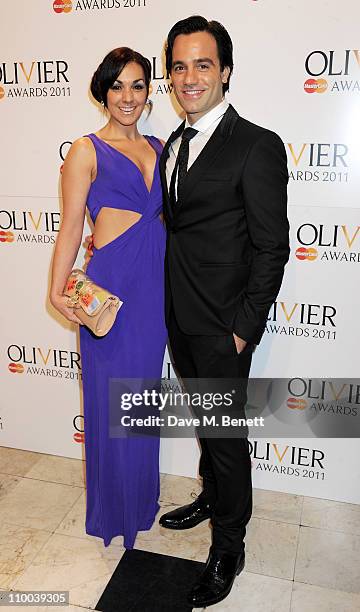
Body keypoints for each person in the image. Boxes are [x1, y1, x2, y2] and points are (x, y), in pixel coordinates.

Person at [158, 16, 290, 607]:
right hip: (179, 315)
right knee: (209, 428)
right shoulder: (173, 144)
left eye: (202, 64)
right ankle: (212, 495)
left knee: (227, 437)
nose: (190, 77)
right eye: (179, 66)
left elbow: (271, 245)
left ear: (225, 72)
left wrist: (244, 327)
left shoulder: (256, 144)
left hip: (224, 326)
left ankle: (229, 547)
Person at [50, 47, 167, 549]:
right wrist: (57, 290)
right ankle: (111, 512)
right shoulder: (86, 150)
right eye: (117, 85)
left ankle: (140, 504)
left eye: (138, 85)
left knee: (141, 404)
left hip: (157, 292)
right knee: (109, 401)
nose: (128, 96)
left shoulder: (163, 146)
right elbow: (71, 227)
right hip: (111, 294)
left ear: (148, 93)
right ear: (102, 91)